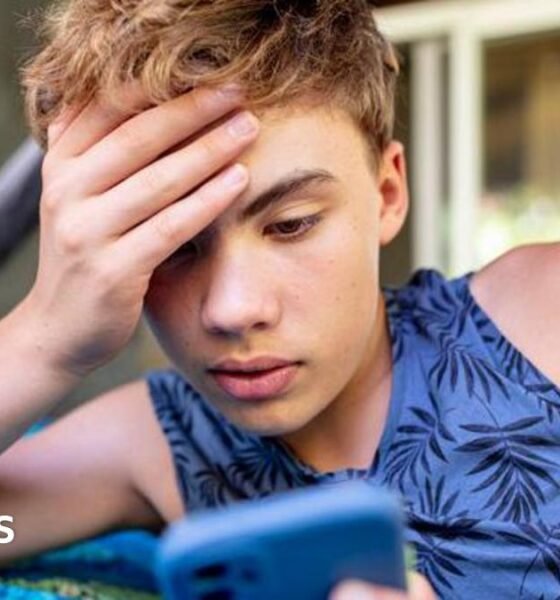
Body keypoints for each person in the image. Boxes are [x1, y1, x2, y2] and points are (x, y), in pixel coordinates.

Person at [0, 0, 558, 597]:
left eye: (291, 224)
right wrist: (45, 338)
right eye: (172, 245)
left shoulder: (537, 314)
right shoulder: (159, 438)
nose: (233, 309)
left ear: (388, 193)